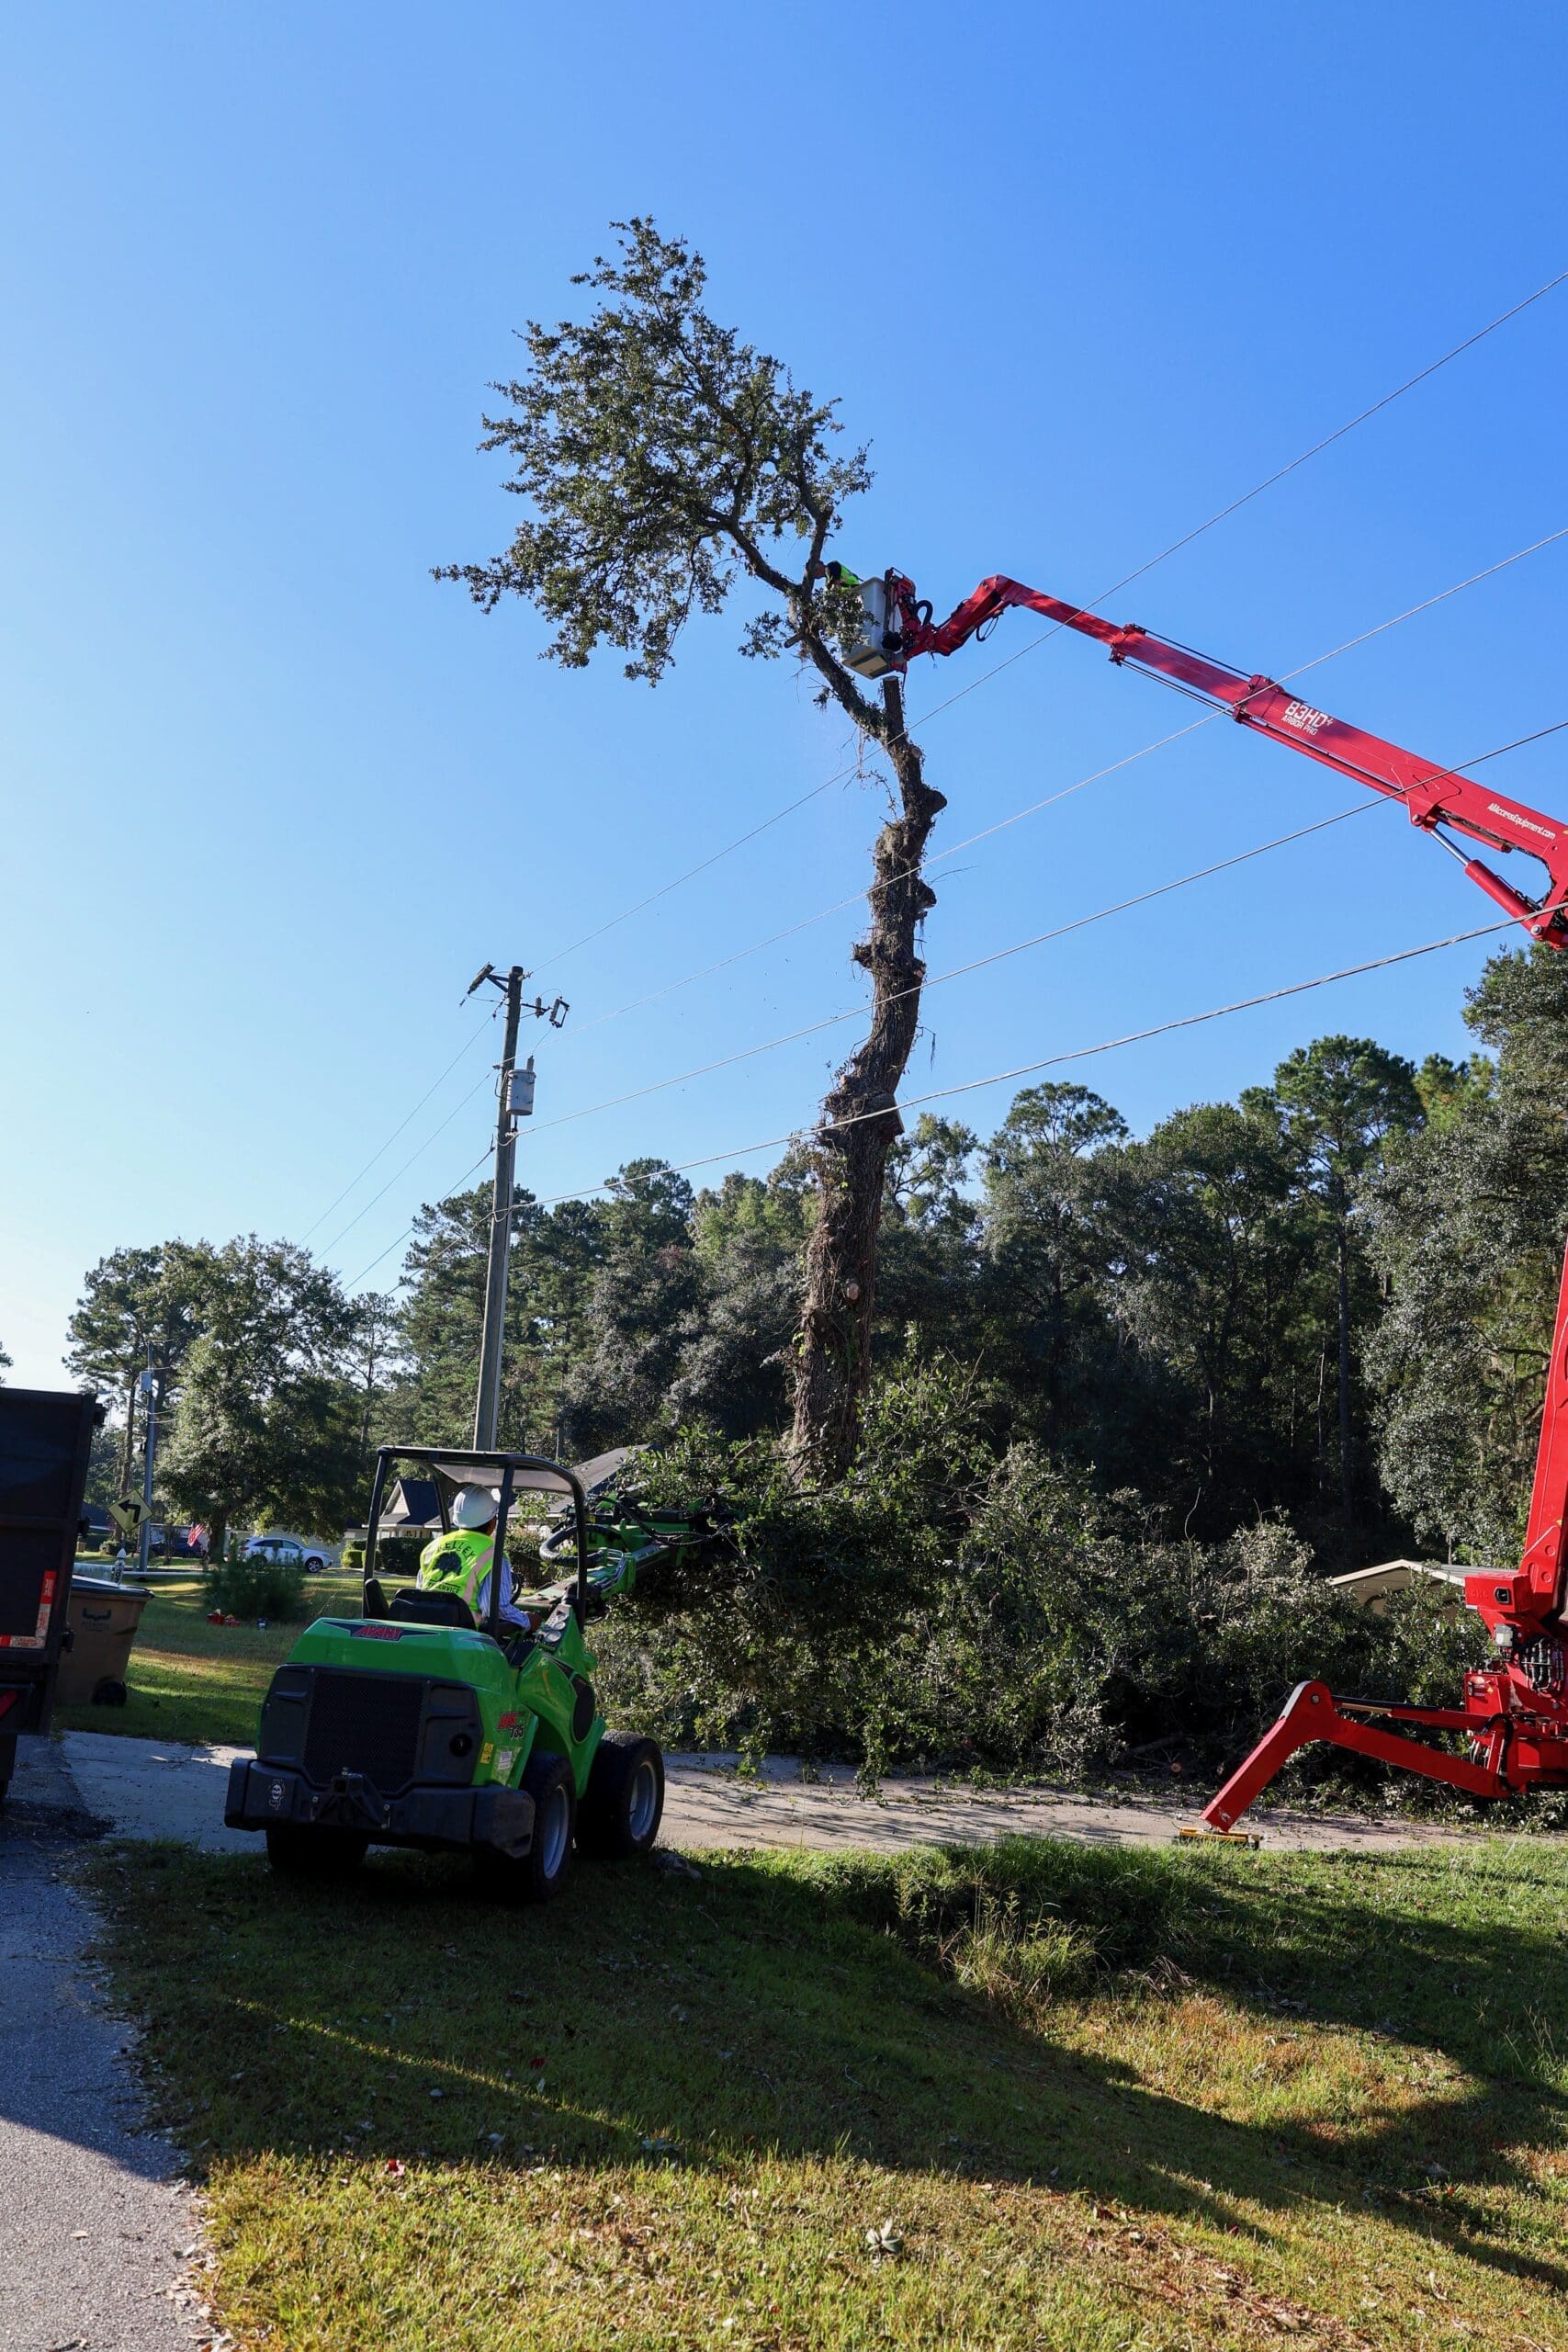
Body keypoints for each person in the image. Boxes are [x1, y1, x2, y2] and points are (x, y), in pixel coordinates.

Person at [417, 1486, 531, 1631]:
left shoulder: (433, 1547)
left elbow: (420, 1592)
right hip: (465, 1636)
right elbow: (497, 1609)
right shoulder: (493, 1555)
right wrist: (527, 1620)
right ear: (493, 1521)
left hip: (425, 1629)